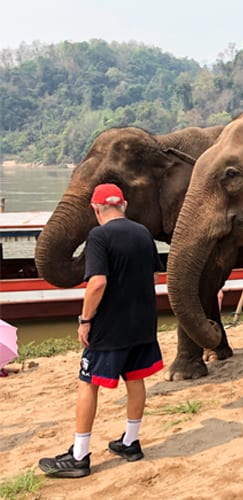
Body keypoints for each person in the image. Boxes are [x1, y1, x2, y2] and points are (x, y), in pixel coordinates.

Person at [39, 183, 164, 478]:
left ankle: (79, 456)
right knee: (135, 378)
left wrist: (85, 319)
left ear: (96, 209)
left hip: (110, 327)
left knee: (88, 382)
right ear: (124, 205)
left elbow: (97, 283)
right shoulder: (143, 233)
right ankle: (130, 443)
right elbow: (155, 275)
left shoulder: (98, 236)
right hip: (142, 322)